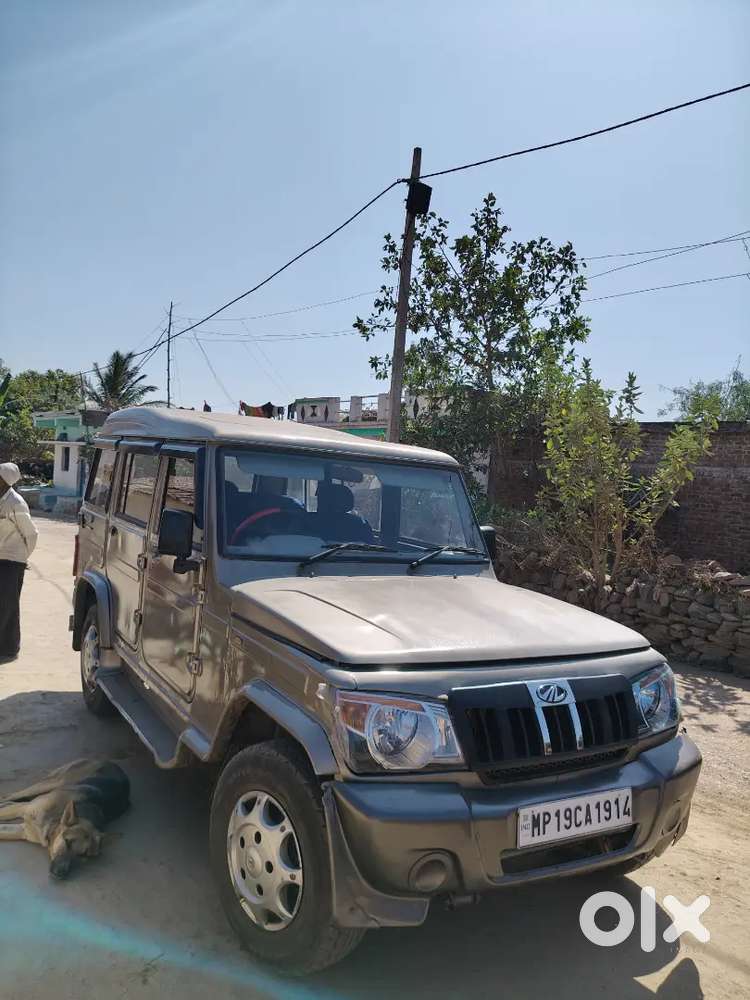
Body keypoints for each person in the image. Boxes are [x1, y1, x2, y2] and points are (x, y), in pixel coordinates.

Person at [0, 462, 38, 661]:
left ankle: (8, 648)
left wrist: (23, 558)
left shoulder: (16, 503)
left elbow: (31, 534)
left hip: (12, 560)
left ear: (5, 481)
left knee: (8, 604)